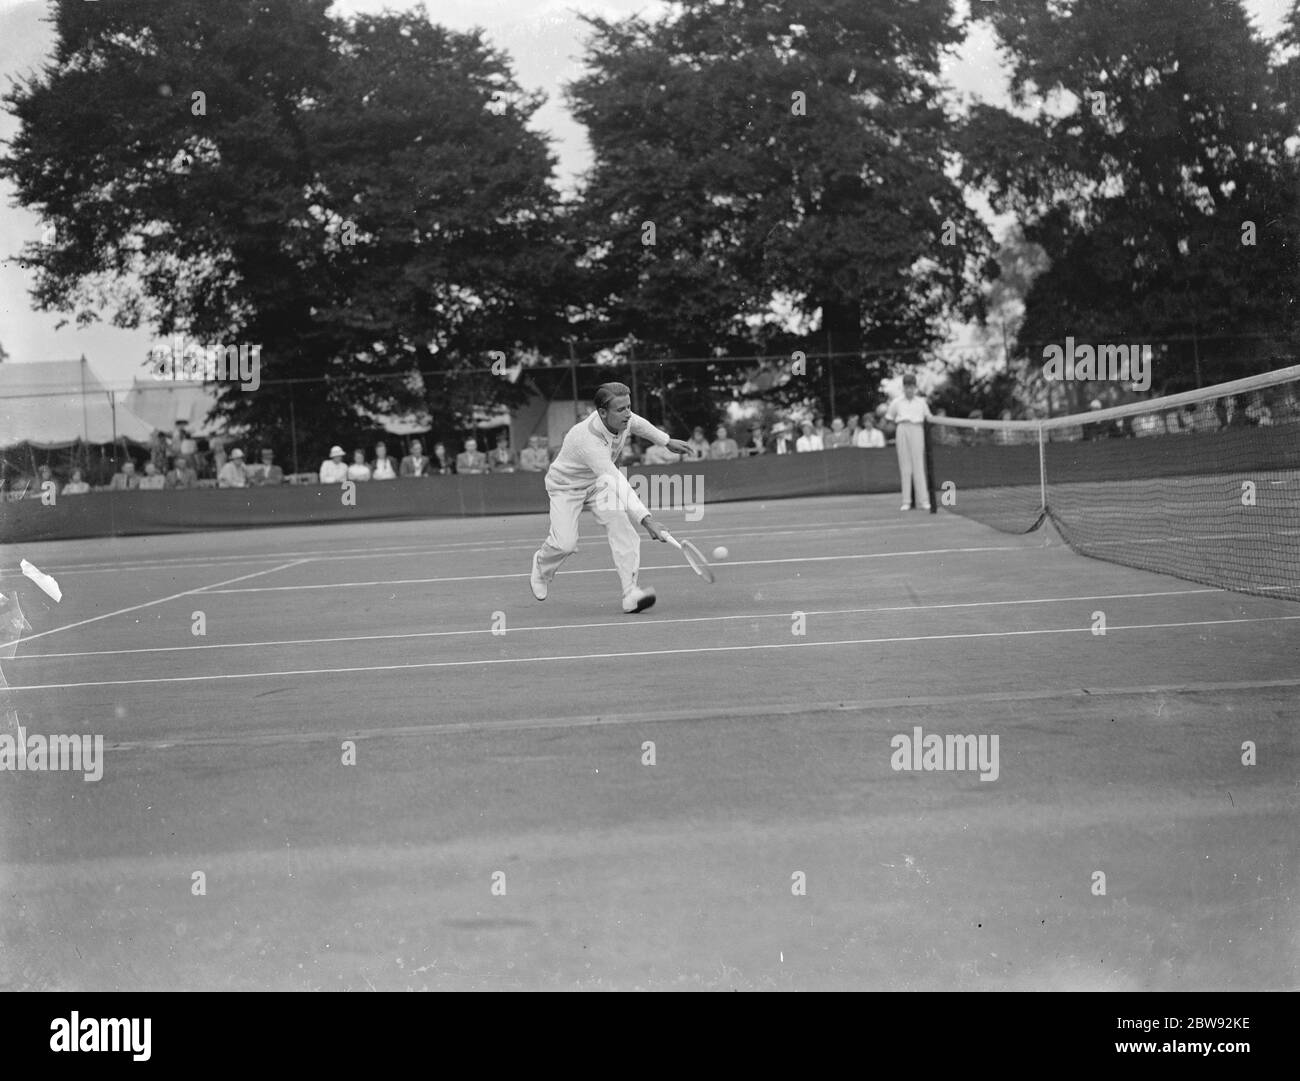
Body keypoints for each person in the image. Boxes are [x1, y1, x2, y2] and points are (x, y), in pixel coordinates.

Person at [529, 381, 693, 614]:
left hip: (598, 485)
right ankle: (541, 567)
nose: (627, 414)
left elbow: (640, 425)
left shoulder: (624, 418)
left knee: (623, 529)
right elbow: (617, 482)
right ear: (602, 413)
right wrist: (647, 520)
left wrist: (666, 441)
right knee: (565, 544)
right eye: (621, 409)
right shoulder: (588, 440)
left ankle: (630, 594)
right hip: (566, 487)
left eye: (628, 407)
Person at [885, 374, 931, 510]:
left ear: (915, 387)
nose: (909, 390)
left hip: (917, 428)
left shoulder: (921, 402)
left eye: (911, 387)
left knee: (918, 466)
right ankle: (906, 501)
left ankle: (924, 501)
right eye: (906, 387)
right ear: (903, 388)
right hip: (902, 428)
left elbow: (928, 417)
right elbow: (889, 418)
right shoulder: (897, 402)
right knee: (905, 467)